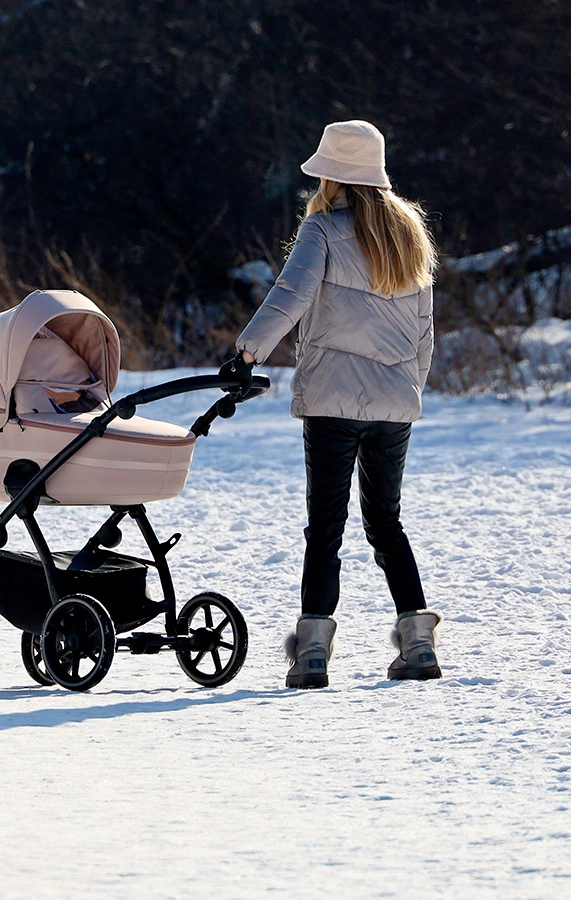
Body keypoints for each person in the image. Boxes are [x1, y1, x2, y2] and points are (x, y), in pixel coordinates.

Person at [227, 120, 443, 688]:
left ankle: (313, 654)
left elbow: (290, 296)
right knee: (386, 522)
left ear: (330, 176)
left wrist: (247, 353)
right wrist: (409, 389)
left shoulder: (321, 229)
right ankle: (418, 644)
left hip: (332, 399)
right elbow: (424, 330)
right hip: (395, 403)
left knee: (325, 527)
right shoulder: (410, 233)